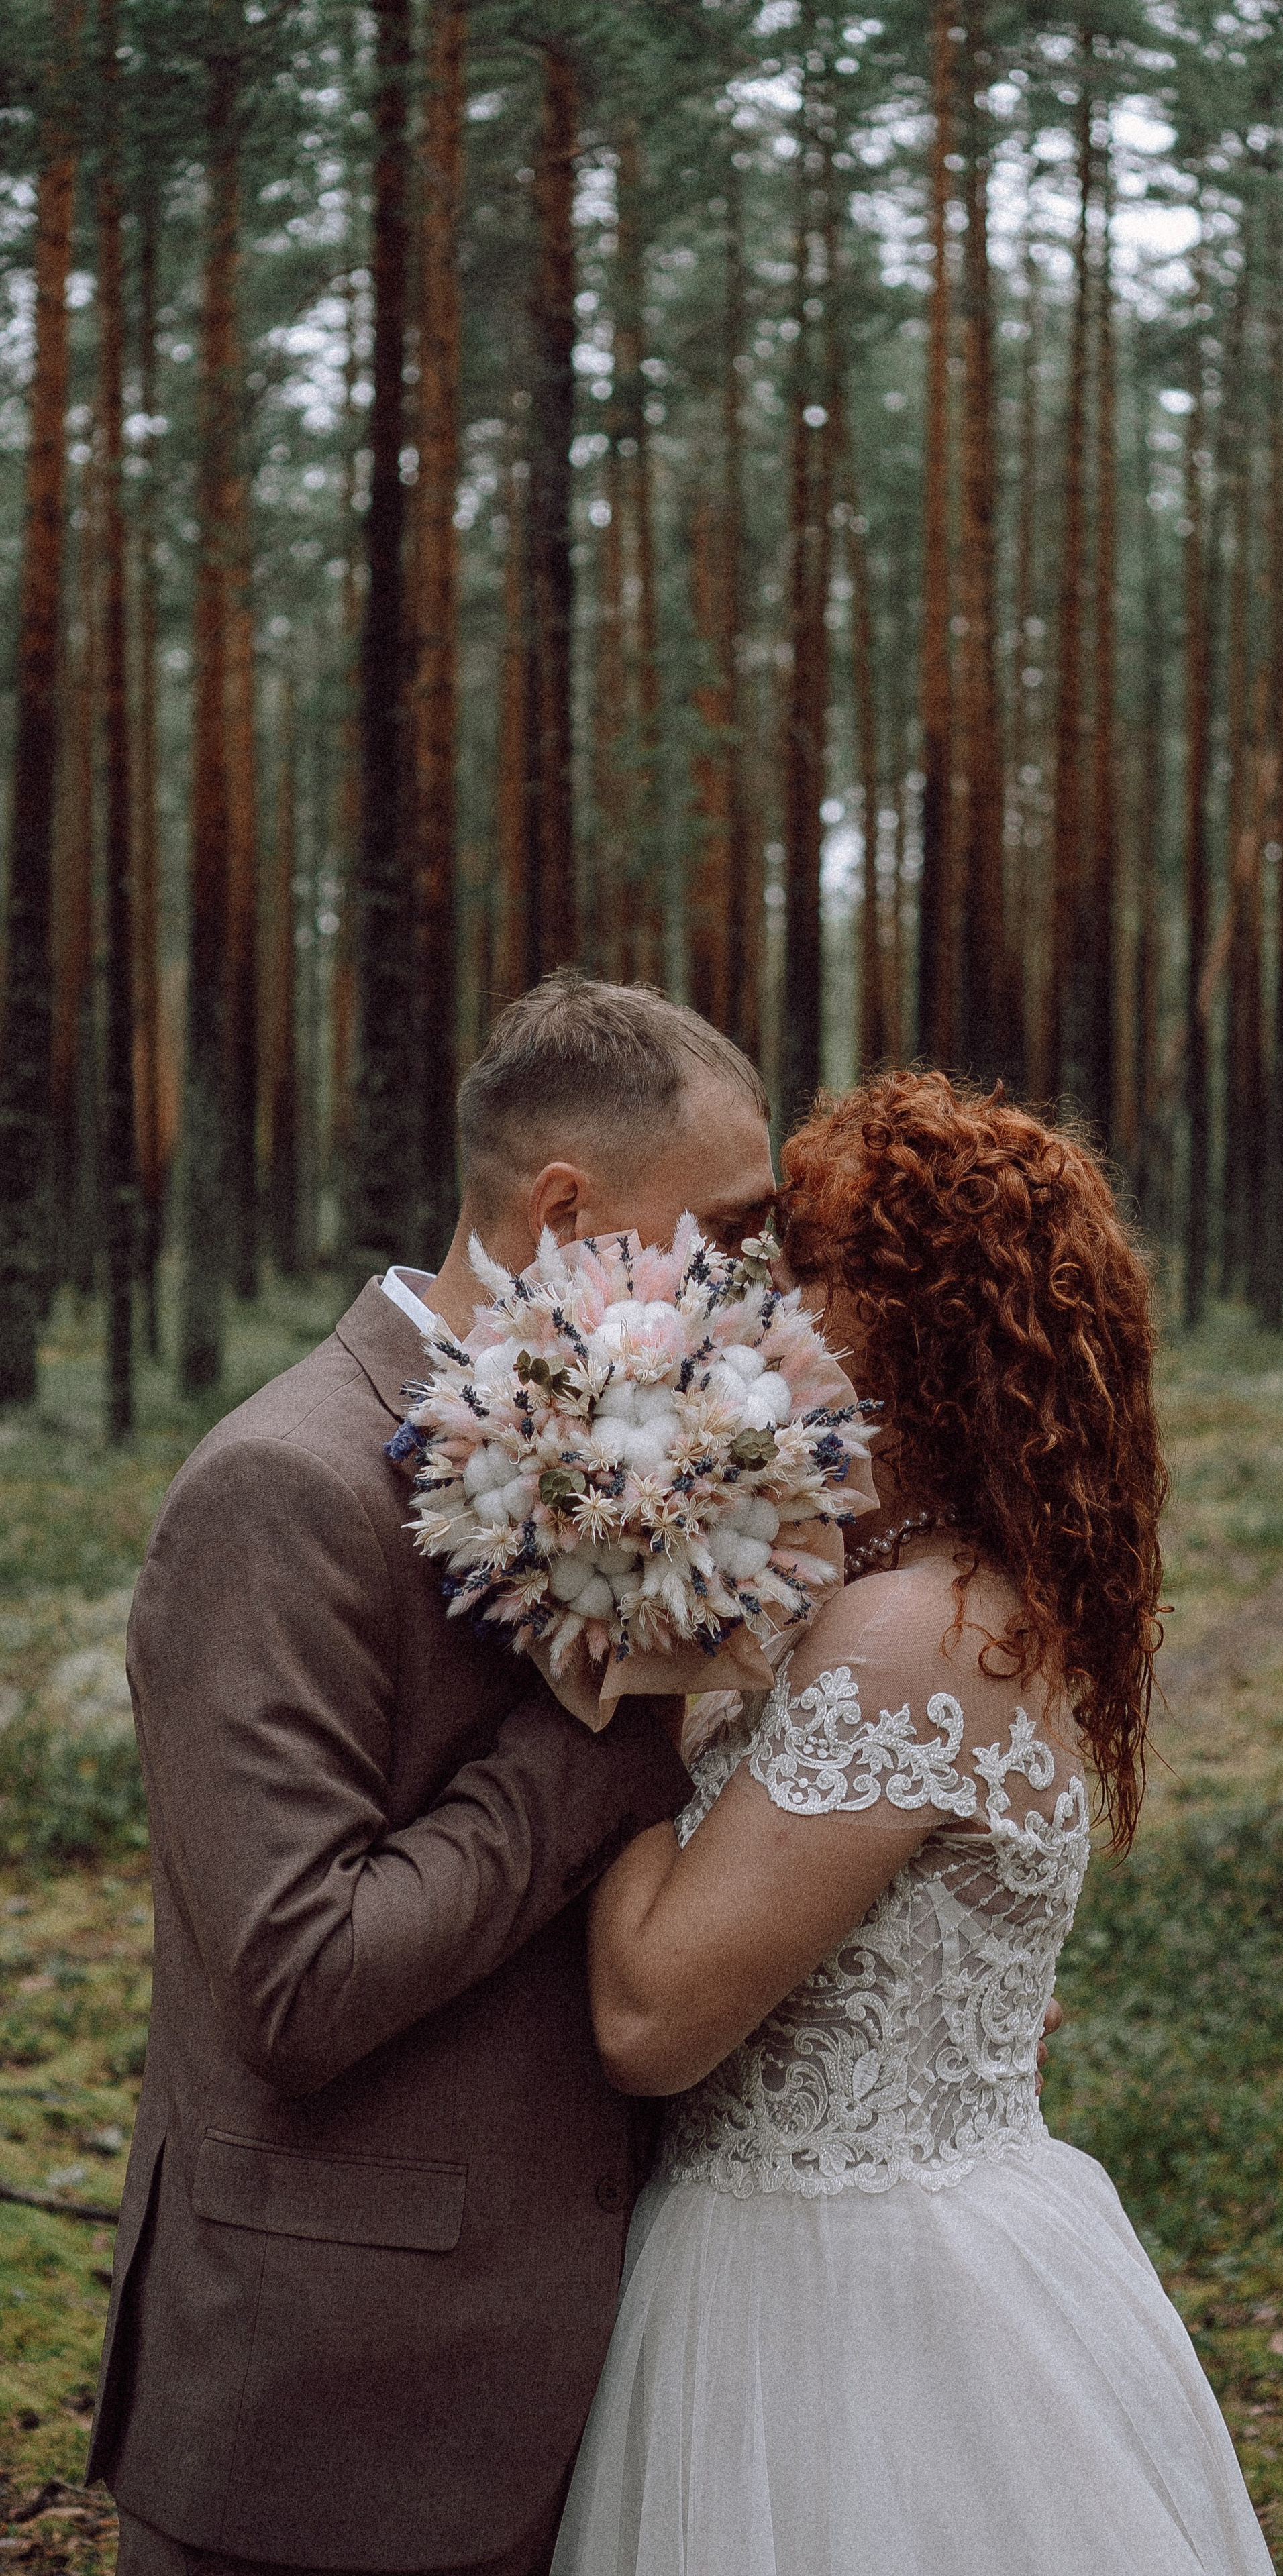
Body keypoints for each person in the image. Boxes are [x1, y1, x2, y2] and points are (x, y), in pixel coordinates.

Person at [91, 975, 782, 2576]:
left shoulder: (651, 1458)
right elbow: (298, 1980)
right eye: (730, 1229)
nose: (758, 1278)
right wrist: (603, 1731)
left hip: (595, 2390)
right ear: (564, 1213)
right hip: (330, 2428)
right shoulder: (284, 1490)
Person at [555, 1069, 1276, 2576]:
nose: (766, 1300)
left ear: (926, 1319)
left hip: (838, 2304)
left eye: (815, 1266)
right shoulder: (930, 1601)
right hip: (880, 2239)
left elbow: (645, 2021)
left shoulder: (911, 1631)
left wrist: (624, 1696)